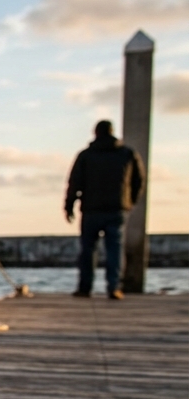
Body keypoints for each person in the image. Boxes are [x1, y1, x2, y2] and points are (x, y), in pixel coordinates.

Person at [63, 120, 145, 299]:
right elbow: (139, 180)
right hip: (117, 209)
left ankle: (85, 288)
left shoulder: (86, 155)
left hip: (91, 209)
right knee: (115, 249)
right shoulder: (127, 154)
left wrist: (69, 206)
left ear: (96, 133)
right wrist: (130, 201)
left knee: (87, 250)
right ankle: (114, 287)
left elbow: (74, 182)